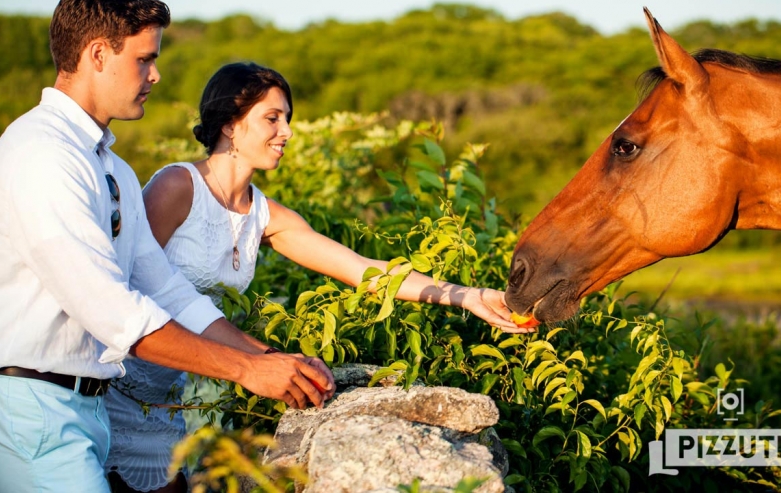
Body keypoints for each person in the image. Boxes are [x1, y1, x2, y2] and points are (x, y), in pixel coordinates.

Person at [104, 61, 531, 492]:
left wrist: (467, 295)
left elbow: (365, 270)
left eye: (287, 119)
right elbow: (122, 286)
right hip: (128, 386)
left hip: (201, 394)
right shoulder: (177, 185)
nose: (286, 131)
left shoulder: (265, 215)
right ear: (231, 125)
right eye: (272, 118)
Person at [0, 0, 334, 493]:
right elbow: (112, 310)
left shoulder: (114, 170)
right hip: (31, 406)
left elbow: (167, 287)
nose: (156, 74)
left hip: (86, 408)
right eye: (145, 59)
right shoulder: (44, 155)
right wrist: (245, 371)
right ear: (98, 54)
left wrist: (268, 361)